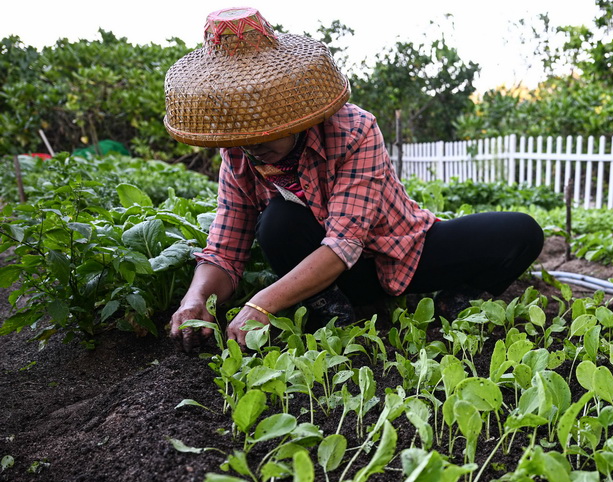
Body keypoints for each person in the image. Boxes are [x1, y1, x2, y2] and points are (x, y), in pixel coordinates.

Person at [163, 7, 544, 351]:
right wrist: (195, 300)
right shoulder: (238, 153)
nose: (254, 146)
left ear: (294, 113)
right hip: (334, 279)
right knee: (279, 221)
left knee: (520, 232)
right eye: (245, 138)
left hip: (402, 253)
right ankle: (333, 316)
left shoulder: (353, 130)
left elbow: (344, 243)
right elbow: (225, 249)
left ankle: (449, 303)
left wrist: (262, 303)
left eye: (265, 134)